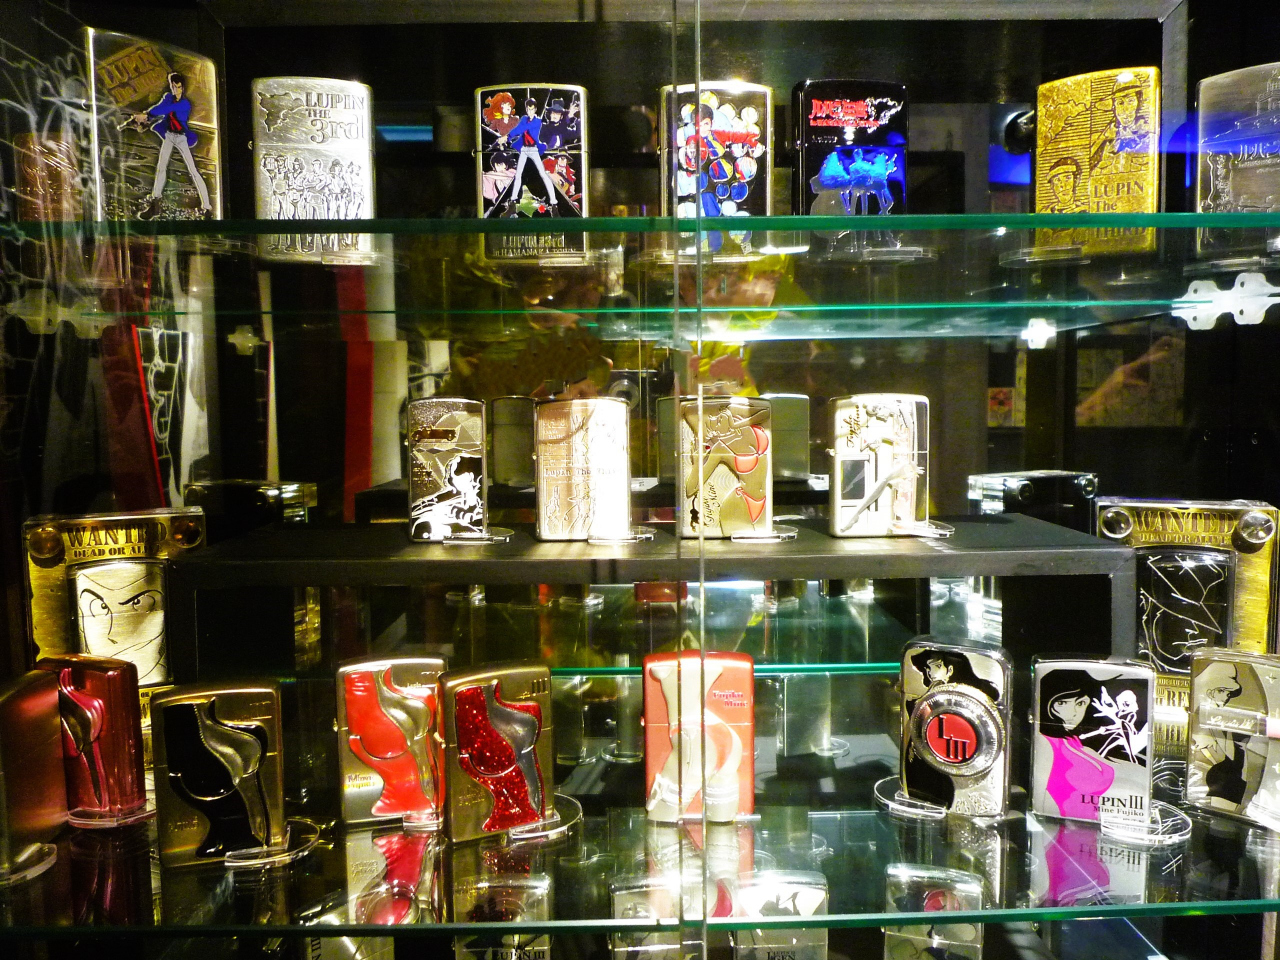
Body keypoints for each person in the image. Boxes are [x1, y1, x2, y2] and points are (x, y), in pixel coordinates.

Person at [132, 72, 213, 219]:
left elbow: (166, 110)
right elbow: (160, 106)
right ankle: (155, 203)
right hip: (169, 135)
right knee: (161, 167)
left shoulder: (185, 104)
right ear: (171, 86)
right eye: (174, 87)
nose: (176, 90)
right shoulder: (168, 97)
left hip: (181, 137)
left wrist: (146, 115)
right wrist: (146, 117)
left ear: (183, 87)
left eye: (179, 87)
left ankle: (207, 208)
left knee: (193, 171)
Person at [496, 97, 560, 213]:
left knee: (543, 174)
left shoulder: (537, 121)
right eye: (528, 109)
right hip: (524, 149)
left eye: (532, 109)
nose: (530, 112)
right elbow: (518, 128)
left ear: (535, 109)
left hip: (534, 150)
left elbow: (523, 128)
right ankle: (513, 201)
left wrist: (507, 137)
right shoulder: (524, 119)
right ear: (526, 109)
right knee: (518, 175)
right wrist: (506, 139)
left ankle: (554, 203)